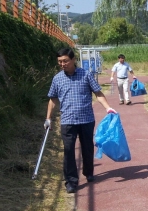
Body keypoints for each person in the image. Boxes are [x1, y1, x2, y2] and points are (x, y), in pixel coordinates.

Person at [45, 48, 116, 193]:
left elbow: (98, 93)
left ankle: (89, 172)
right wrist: (48, 118)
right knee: (69, 150)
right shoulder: (57, 79)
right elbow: (53, 99)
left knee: (87, 147)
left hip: (86, 119)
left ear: (73, 60)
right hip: (67, 121)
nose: (62, 64)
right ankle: (71, 181)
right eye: (60, 62)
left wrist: (108, 107)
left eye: (65, 61)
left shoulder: (86, 75)